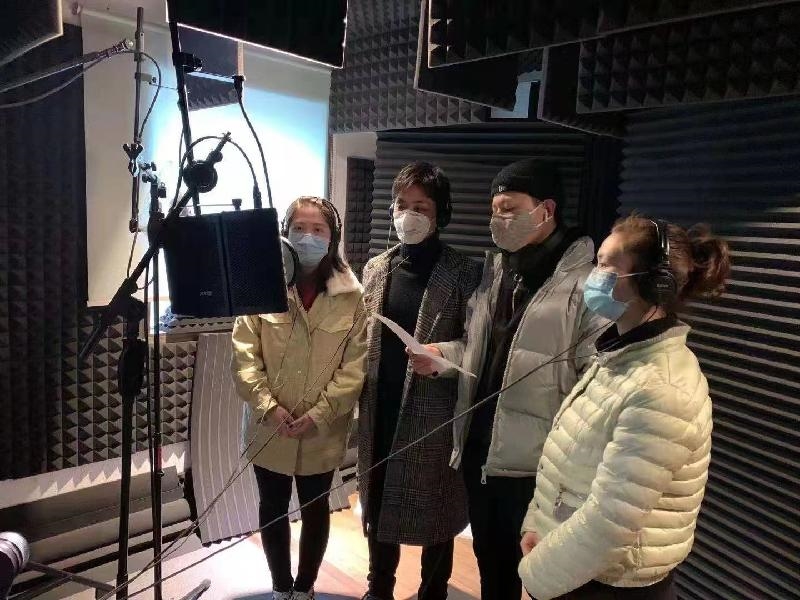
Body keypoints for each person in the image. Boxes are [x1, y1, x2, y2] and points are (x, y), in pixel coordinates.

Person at [411, 159, 606, 600]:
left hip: (536, 468)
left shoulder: (587, 286)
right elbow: (481, 350)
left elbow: (595, 383)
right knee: (492, 570)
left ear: (546, 209)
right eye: (494, 210)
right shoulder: (498, 272)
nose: (498, 219)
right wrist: (444, 356)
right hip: (481, 453)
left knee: (541, 579)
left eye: (509, 208)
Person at [518, 216, 730, 600]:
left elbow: (610, 521)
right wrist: (540, 524)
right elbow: (568, 463)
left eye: (606, 266)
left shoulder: (662, 389)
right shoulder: (620, 357)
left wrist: (535, 576)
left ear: (652, 284)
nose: (593, 276)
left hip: (612, 585)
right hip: (575, 568)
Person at [231, 196, 367, 600]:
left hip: (322, 430)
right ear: (285, 233)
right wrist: (269, 408)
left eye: (318, 229)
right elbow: (244, 356)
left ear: (333, 237)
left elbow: (355, 366)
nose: (308, 237)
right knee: (271, 507)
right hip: (268, 426)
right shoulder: (260, 283)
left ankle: (305, 589)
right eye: (299, 228)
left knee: (315, 508)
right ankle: (280, 588)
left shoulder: (352, 295)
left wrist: (320, 413)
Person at [358, 162, 482, 600]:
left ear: (440, 213)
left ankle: (434, 591)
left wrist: (443, 356)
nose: (408, 214)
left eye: (421, 206)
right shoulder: (376, 268)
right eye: (402, 204)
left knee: (437, 508)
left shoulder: (465, 273)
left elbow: (478, 344)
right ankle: (379, 588)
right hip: (380, 404)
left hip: (434, 409)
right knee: (377, 502)